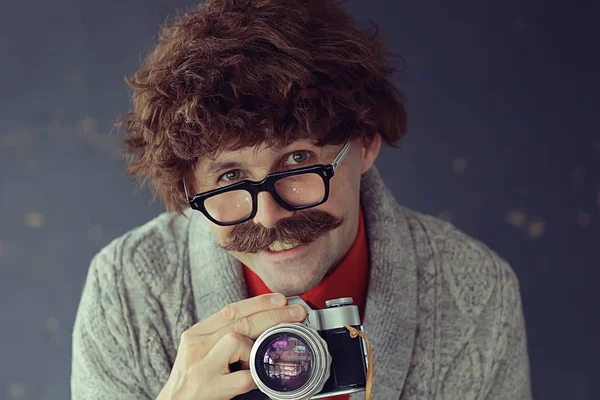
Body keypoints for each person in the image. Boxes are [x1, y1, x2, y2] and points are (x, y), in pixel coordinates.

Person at [70, 0, 532, 399]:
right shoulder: (126, 290)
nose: (269, 217)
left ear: (366, 143)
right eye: (230, 175)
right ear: (189, 187)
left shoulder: (475, 293)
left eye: (296, 162)